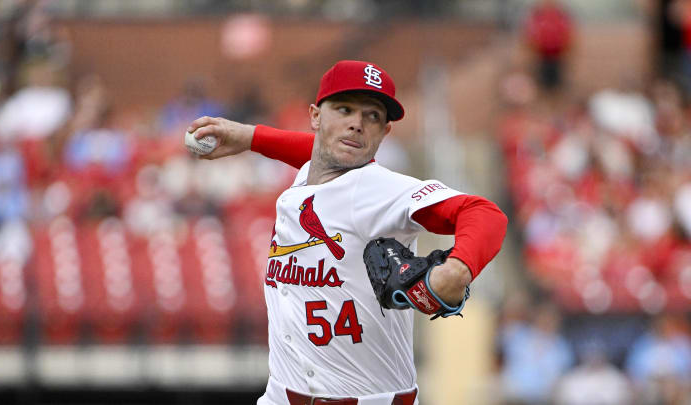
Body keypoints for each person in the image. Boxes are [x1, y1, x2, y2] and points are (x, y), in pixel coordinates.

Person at [186, 60, 508, 405]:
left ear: (385, 132)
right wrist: (251, 137)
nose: (356, 124)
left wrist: (458, 267)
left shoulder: (379, 189)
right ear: (315, 117)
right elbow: (315, 156)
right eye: (344, 109)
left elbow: (484, 213)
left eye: (372, 116)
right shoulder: (309, 174)